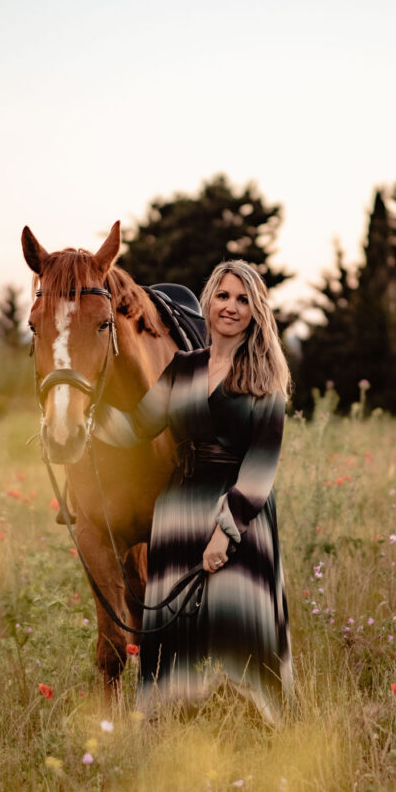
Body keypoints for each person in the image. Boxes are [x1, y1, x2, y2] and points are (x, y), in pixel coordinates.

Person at [93, 259, 292, 722]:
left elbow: (263, 465)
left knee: (236, 626)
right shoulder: (183, 367)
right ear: (208, 302)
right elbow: (136, 427)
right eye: (223, 296)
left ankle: (250, 730)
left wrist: (227, 531)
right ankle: (173, 732)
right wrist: (79, 416)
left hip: (238, 516)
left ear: (256, 310)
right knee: (175, 635)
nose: (231, 307)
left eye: (243, 300)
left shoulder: (265, 376)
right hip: (179, 512)